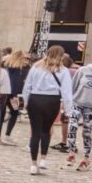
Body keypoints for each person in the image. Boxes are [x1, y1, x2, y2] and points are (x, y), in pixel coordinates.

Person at [22, 45, 73, 175]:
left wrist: (26, 102)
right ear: (61, 56)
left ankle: (33, 163)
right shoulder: (63, 70)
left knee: (35, 131)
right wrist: (68, 111)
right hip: (52, 100)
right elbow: (67, 92)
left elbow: (27, 85)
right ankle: (43, 158)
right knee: (46, 130)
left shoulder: (36, 67)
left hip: (35, 98)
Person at [66, 52, 92, 171]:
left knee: (87, 132)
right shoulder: (83, 71)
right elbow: (72, 86)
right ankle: (71, 152)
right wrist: (67, 102)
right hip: (77, 103)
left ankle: (86, 158)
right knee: (72, 126)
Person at [0, 49, 29, 144]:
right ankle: (7, 135)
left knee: (2, 113)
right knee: (15, 113)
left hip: (5, 91)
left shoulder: (7, 65)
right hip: (17, 93)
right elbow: (18, 82)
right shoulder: (22, 67)